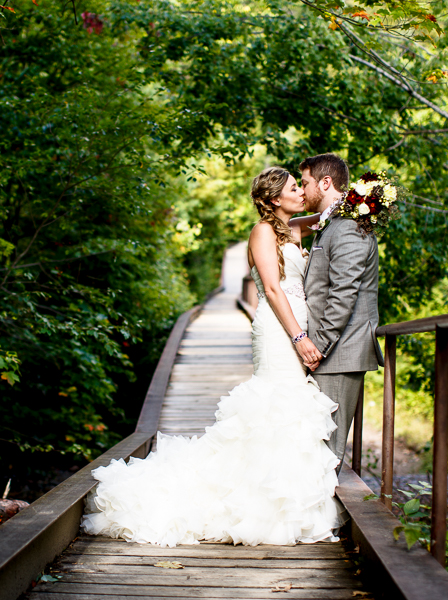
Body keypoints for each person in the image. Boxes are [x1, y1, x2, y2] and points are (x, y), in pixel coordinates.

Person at [80, 166, 343, 547]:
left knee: (290, 412)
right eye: (292, 188)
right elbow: (271, 287)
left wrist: (365, 198)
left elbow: (326, 213)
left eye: (299, 186)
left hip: (295, 325)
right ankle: (262, 506)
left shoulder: (294, 228)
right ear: (272, 200)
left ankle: (284, 502)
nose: (301, 192)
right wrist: (300, 336)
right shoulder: (263, 231)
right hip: (279, 331)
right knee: (277, 407)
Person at [297, 153, 383, 471]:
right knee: (314, 447)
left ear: (325, 182)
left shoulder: (348, 228)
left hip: (338, 354)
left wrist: (315, 348)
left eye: (304, 183)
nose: (302, 191)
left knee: (326, 454)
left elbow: (342, 296)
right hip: (330, 354)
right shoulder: (333, 225)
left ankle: (326, 522)